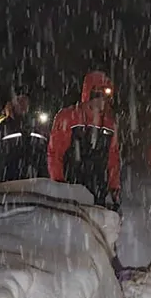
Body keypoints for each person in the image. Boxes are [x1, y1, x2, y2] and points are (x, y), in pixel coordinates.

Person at [47, 70, 122, 209]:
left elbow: (113, 158)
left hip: (99, 189)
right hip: (72, 187)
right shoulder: (68, 117)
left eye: (105, 97)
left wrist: (114, 187)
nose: (102, 102)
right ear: (89, 95)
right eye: (98, 96)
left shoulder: (110, 123)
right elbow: (55, 153)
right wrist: (58, 184)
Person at [0, 89, 50, 182]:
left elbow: (46, 149)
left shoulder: (36, 125)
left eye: (25, 101)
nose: (23, 104)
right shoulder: (2, 124)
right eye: (19, 100)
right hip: (8, 180)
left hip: (34, 179)